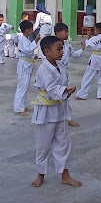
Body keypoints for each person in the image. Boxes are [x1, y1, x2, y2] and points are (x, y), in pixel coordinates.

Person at [30, 35, 82, 189]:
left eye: (62, 49)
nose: (62, 52)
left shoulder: (61, 66)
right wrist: (66, 89)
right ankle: (40, 175)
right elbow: (53, 90)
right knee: (43, 146)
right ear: (47, 52)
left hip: (60, 110)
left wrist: (67, 91)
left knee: (63, 144)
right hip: (45, 112)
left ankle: (65, 175)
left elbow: (61, 87)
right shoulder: (44, 68)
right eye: (58, 49)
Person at [54, 23, 84, 127]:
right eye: (65, 32)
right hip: (55, 72)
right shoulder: (51, 44)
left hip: (65, 73)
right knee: (55, 95)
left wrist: (82, 49)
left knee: (67, 95)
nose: (67, 34)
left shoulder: (67, 45)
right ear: (57, 33)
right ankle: (56, 118)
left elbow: (75, 55)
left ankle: (68, 118)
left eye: (67, 31)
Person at [75, 22, 101, 100]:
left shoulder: (94, 38)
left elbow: (86, 44)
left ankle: (81, 94)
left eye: (95, 29)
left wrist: (88, 37)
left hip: (95, 58)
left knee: (88, 76)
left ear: (98, 30)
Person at [14, 20, 40, 116]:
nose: (32, 30)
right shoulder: (23, 39)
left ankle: (22, 105)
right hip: (24, 66)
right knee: (22, 87)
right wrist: (36, 40)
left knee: (25, 87)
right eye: (31, 28)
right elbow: (27, 49)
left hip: (27, 65)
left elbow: (28, 51)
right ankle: (19, 108)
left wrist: (33, 56)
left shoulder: (26, 39)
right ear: (27, 30)